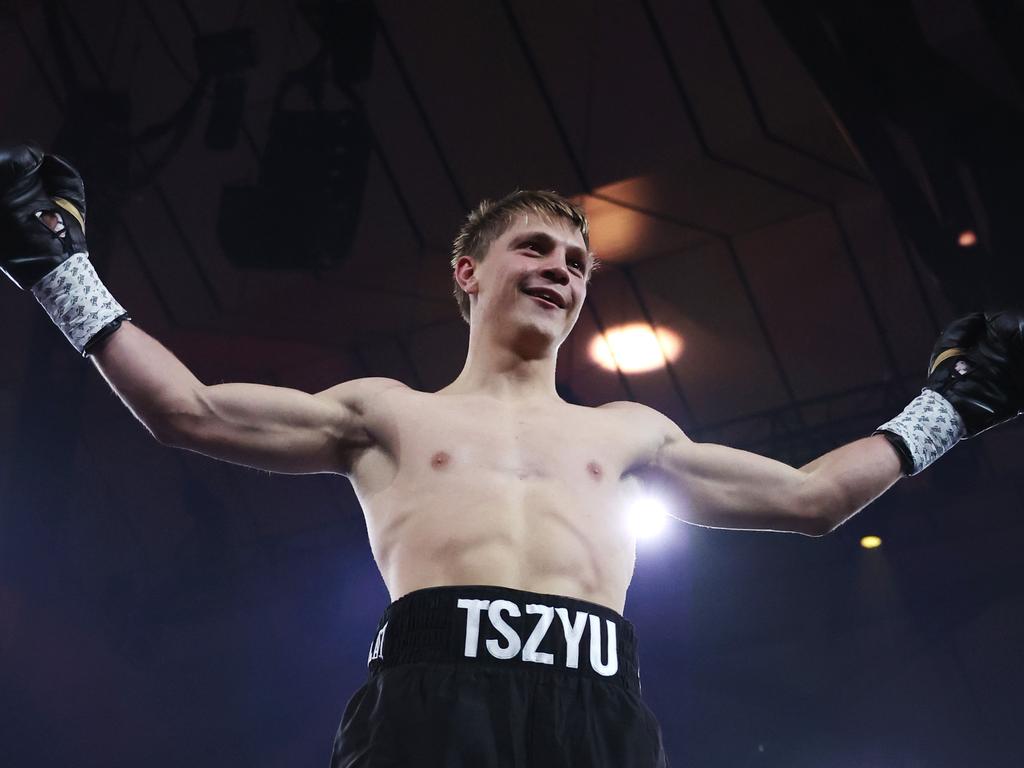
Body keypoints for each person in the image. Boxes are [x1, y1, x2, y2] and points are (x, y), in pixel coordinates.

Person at [1, 144, 1021, 767]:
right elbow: (186, 409)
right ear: (468, 272)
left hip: (594, 710)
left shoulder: (627, 431)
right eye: (536, 249)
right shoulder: (388, 413)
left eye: (577, 264)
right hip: (431, 706)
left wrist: (949, 408)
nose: (561, 272)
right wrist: (58, 267)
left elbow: (810, 498)